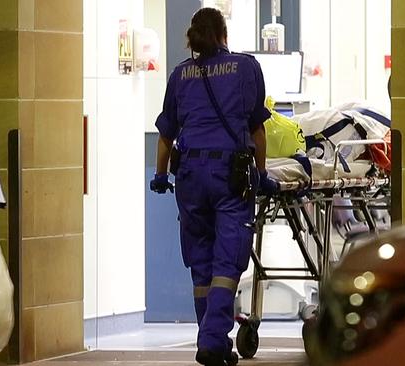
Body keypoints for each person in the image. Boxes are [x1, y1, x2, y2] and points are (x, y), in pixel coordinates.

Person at [149, 8, 278, 366]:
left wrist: (161, 176)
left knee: (201, 264)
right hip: (229, 177)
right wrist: (262, 173)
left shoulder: (180, 75)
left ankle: (215, 343)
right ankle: (210, 339)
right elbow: (257, 129)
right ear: (224, 34)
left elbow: (165, 136)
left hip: (189, 176)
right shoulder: (245, 68)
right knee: (227, 260)